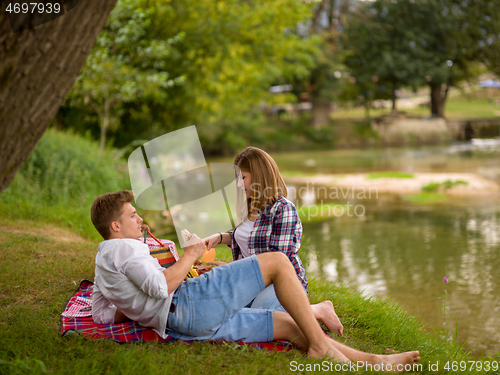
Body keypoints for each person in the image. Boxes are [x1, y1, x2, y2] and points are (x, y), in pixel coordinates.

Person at [89, 190, 421, 369]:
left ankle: (375, 362)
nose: (140, 218)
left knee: (290, 326)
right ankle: (320, 346)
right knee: (277, 262)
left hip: (183, 321)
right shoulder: (123, 249)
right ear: (115, 226)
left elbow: (114, 301)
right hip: (187, 306)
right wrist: (190, 255)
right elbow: (162, 286)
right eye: (132, 215)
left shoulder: (111, 253)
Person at [204, 147, 343, 332]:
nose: (238, 184)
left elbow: (278, 262)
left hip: (282, 284)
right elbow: (249, 238)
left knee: (260, 312)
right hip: (250, 280)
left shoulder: (283, 209)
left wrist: (233, 271)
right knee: (215, 305)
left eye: (242, 178)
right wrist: (220, 237)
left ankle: (318, 309)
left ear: (259, 176)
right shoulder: (248, 205)